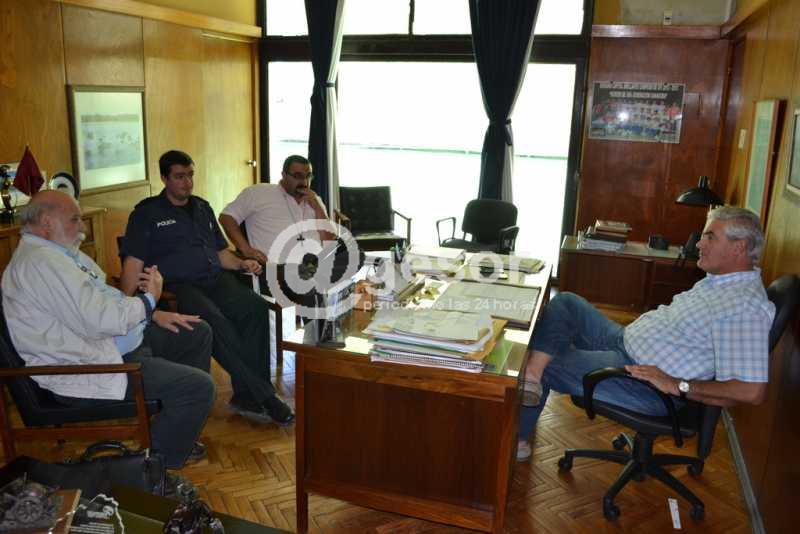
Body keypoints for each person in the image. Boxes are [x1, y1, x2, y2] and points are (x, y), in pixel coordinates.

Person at [516, 206, 775, 461]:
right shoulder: (721, 281)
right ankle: (533, 376)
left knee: (540, 360)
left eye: (710, 237)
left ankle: (517, 438)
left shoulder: (745, 307)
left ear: (739, 247)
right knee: (566, 303)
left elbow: (751, 391)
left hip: (641, 381)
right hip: (624, 341)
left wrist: (679, 384)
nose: (699, 244)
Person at [1, 190, 215, 472]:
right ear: (46, 222)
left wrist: (153, 313)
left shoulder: (58, 254)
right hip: (88, 367)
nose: (82, 227)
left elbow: (105, 299)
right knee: (198, 387)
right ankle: (153, 467)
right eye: (74, 219)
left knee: (195, 332)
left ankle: (176, 427)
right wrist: (149, 300)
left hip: (110, 346)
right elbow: (100, 320)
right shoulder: (42, 263)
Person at [120, 150, 294, 426]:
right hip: (178, 287)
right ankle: (264, 396)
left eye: (190, 175)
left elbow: (221, 253)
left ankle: (247, 395)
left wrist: (241, 263)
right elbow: (133, 261)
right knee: (215, 322)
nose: (187, 182)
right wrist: (126, 303)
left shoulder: (202, 208)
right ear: (164, 178)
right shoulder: (147, 213)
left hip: (215, 279)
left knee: (256, 308)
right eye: (179, 177)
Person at [218, 154, 335, 267]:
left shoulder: (314, 199)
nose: (304, 182)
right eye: (297, 176)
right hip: (276, 271)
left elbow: (329, 239)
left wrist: (317, 206)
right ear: (284, 175)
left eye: (308, 176)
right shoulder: (258, 193)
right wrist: (246, 249)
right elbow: (226, 217)